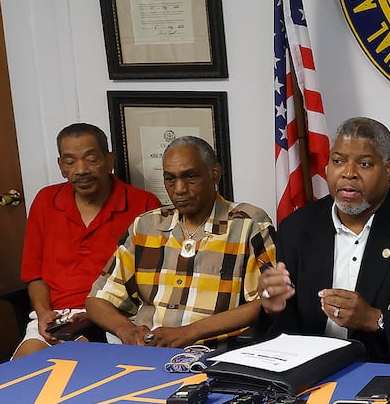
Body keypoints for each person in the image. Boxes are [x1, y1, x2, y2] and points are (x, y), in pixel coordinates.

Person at [257, 117, 390, 366]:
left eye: (364, 164)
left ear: (388, 169)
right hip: (312, 374)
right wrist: (273, 307)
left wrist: (375, 319)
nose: (348, 173)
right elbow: (287, 331)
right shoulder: (298, 227)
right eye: (338, 161)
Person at [86, 136, 275, 349]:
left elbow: (265, 301)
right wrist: (127, 330)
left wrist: (189, 333)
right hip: (145, 351)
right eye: (170, 179)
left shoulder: (248, 224)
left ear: (215, 174)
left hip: (210, 353)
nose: (179, 189)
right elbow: (97, 299)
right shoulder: (147, 225)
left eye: (190, 177)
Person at [14, 122, 159, 357]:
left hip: (117, 316)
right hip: (57, 318)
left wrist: (96, 314)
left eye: (91, 159)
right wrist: (43, 314)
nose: (80, 170)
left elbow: (151, 283)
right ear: (61, 166)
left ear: (109, 160)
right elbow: (35, 276)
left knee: (81, 368)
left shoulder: (143, 205)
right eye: (70, 162)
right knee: (22, 372)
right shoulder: (45, 201)